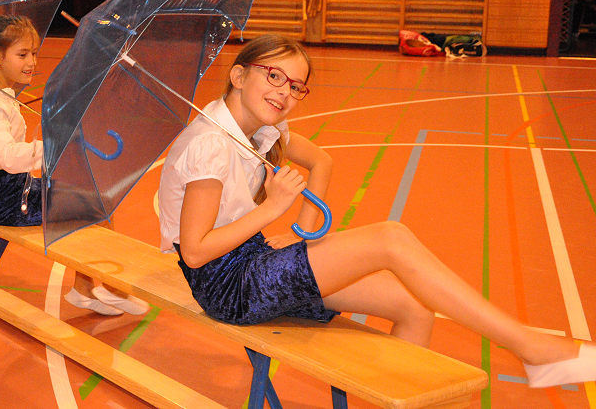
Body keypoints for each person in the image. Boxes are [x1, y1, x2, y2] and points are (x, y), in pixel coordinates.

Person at [157, 34, 595, 388]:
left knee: (414, 307)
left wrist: (303, 233)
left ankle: (528, 353)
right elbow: (195, 252)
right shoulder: (210, 146)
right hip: (226, 286)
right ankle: (533, 349)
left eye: (295, 86)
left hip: (255, 260)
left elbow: (322, 161)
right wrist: (273, 208)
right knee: (390, 238)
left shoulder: (263, 131)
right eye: (273, 75)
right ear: (237, 75)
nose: (284, 92)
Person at [0, 14, 147, 316]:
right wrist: (52, 148)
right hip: (3, 200)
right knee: (96, 206)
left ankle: (85, 288)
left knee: (90, 199)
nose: (32, 62)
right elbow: (7, 156)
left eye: (34, 53)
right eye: (22, 55)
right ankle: (110, 287)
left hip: (8, 189)